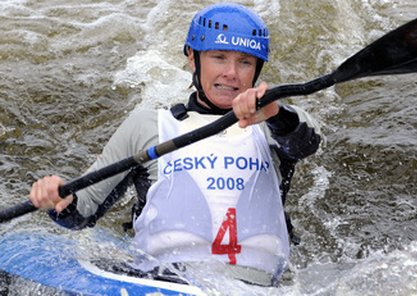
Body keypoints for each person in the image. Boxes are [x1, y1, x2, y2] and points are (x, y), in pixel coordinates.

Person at [29, 3, 321, 286]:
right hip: (162, 282)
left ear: (257, 69)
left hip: (254, 286)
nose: (232, 73)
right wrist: (62, 202)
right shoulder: (148, 127)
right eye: (219, 57)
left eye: (244, 62)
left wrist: (272, 112)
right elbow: (85, 210)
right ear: (192, 58)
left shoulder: (277, 123)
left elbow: (304, 144)